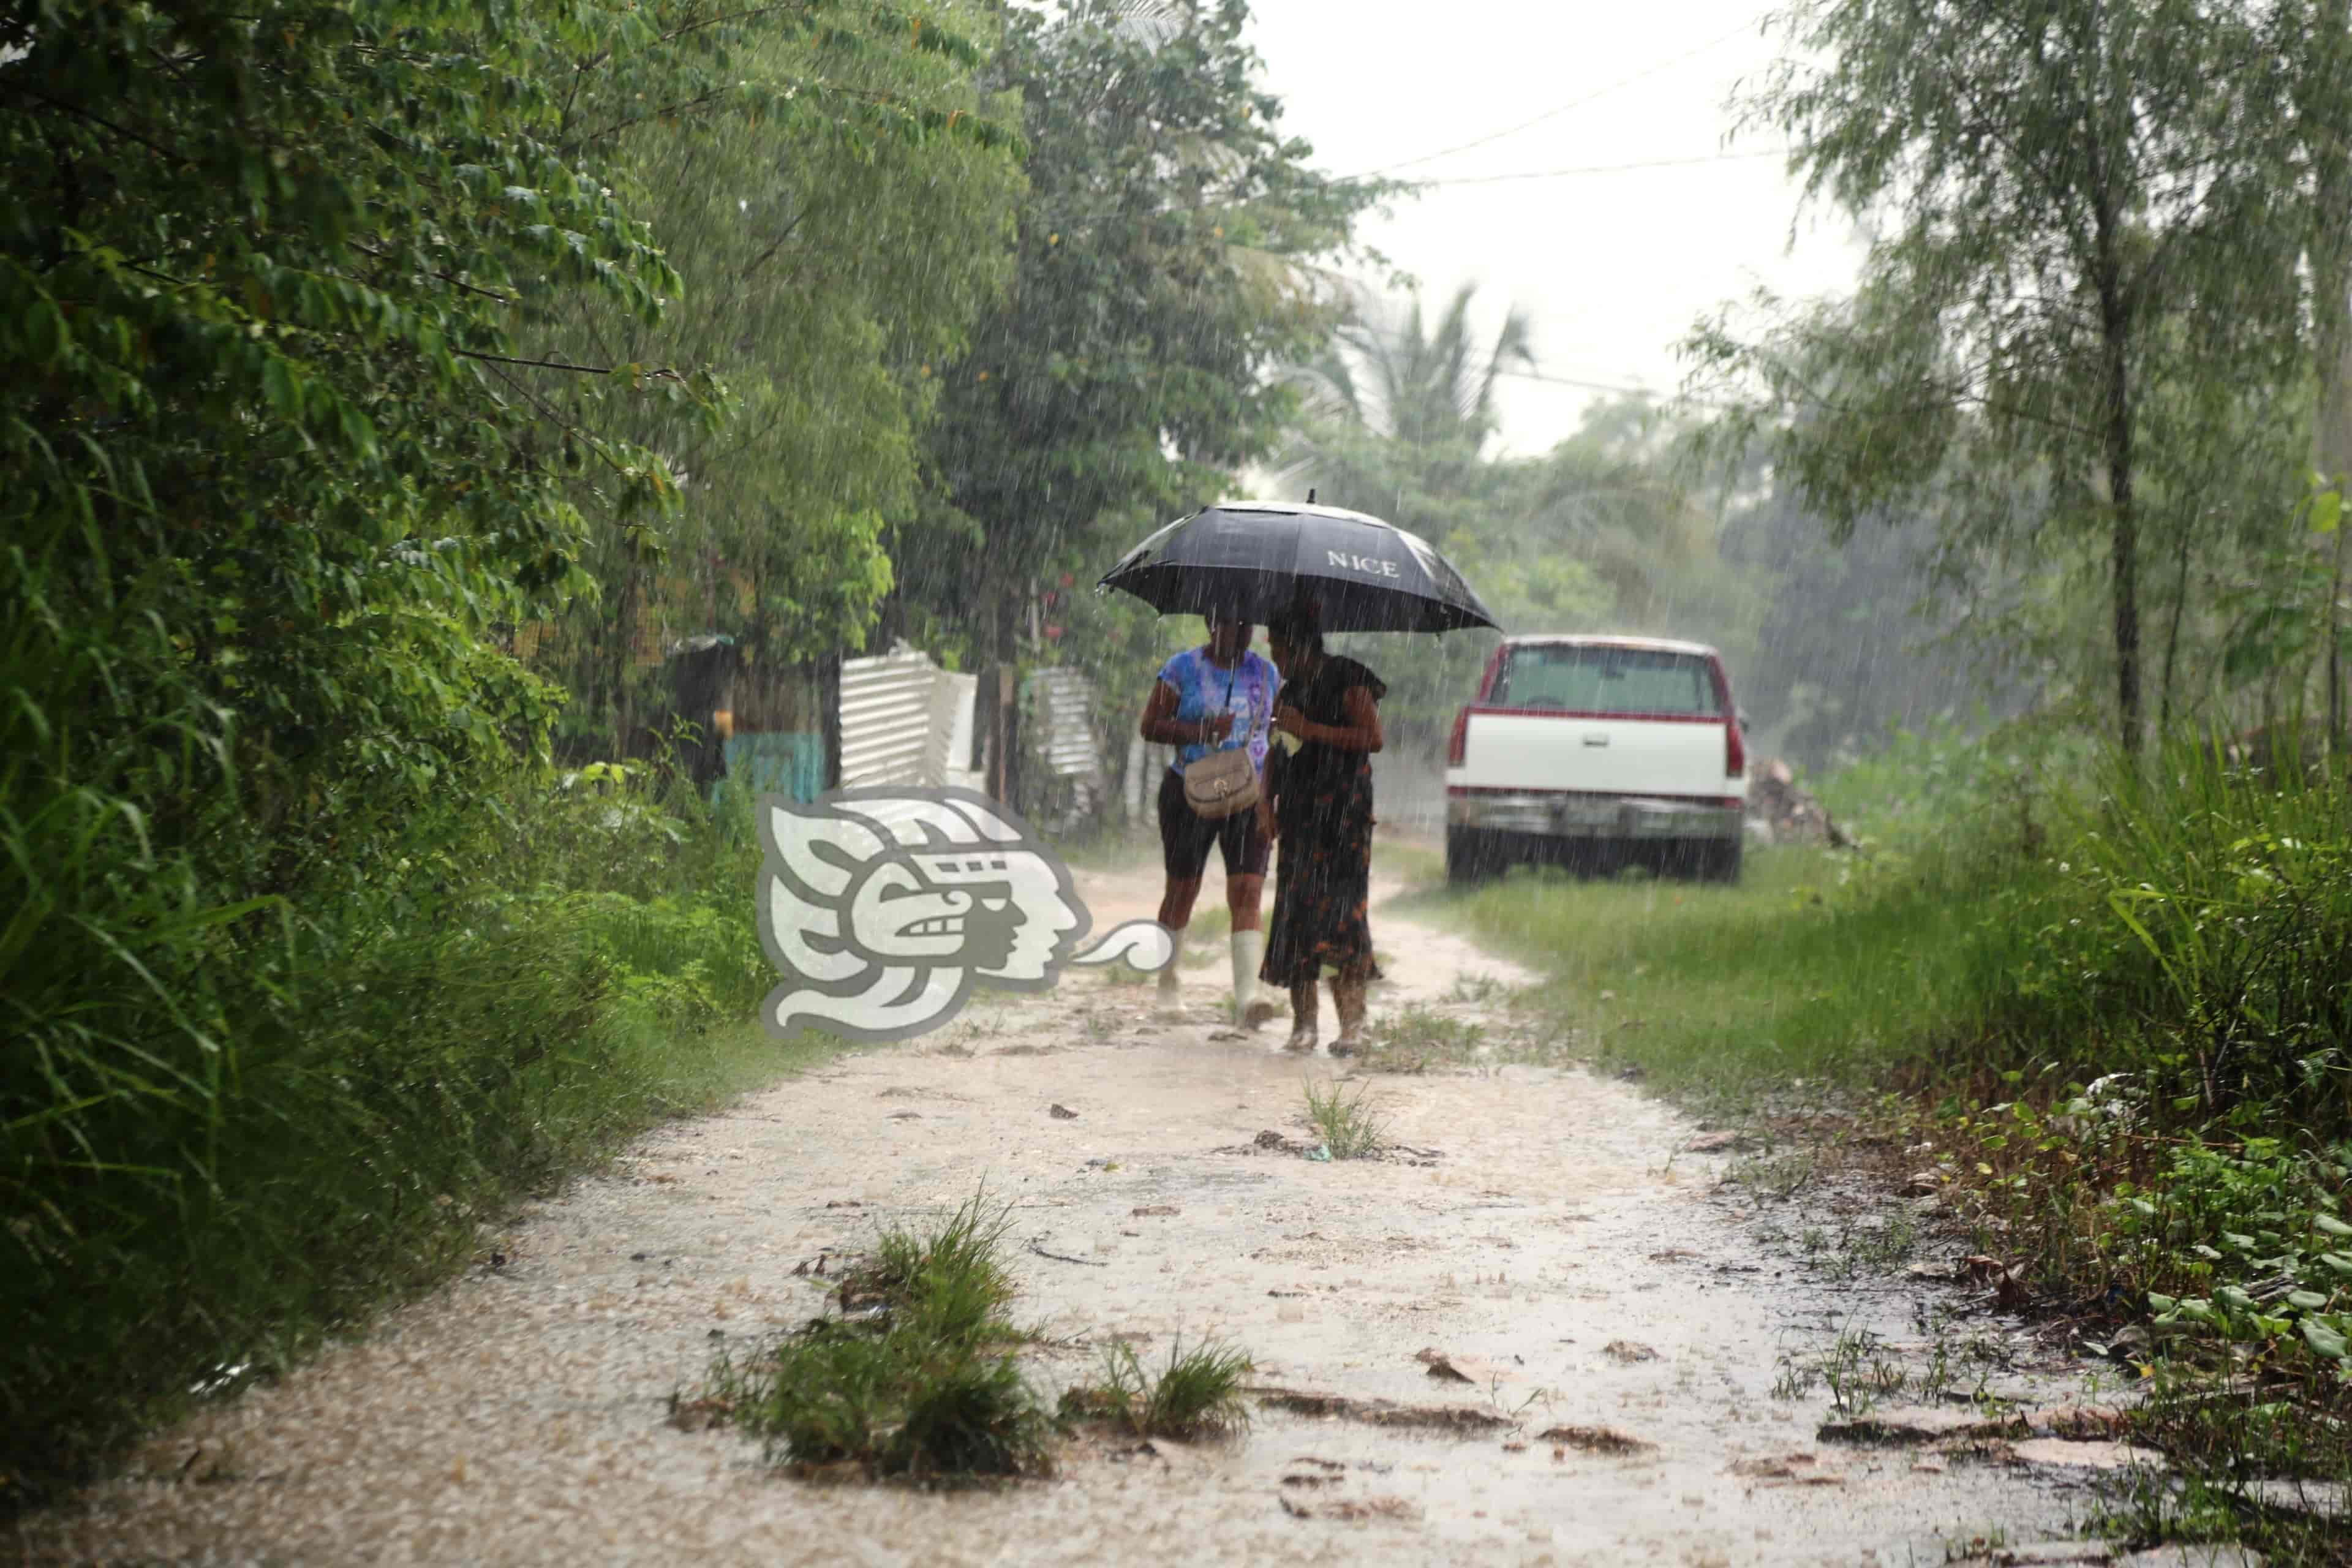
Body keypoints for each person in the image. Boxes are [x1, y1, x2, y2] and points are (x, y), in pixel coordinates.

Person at [1136, 614, 1280, 1024]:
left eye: (1247, 624)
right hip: (1190, 791)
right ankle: (1168, 983)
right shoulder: (1182, 669)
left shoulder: (1267, 673)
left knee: (1249, 889)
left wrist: (1273, 794)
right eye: (1233, 624)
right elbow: (1150, 726)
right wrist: (1200, 730)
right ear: (1210, 623)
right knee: (1183, 888)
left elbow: (1272, 735)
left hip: (1248, 794)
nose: (1242, 632)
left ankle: (1248, 996)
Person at [1259, 603, 1387, 1055]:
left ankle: (1353, 1025)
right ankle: (1304, 1025)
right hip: (1299, 818)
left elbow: (1372, 738)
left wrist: (1310, 729)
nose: (1274, 657)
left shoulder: (1349, 678)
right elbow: (1277, 748)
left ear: (1298, 645)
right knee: (1296, 913)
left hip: (1343, 819)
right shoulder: (1289, 690)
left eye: (1277, 648)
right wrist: (1265, 801)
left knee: (1344, 916)